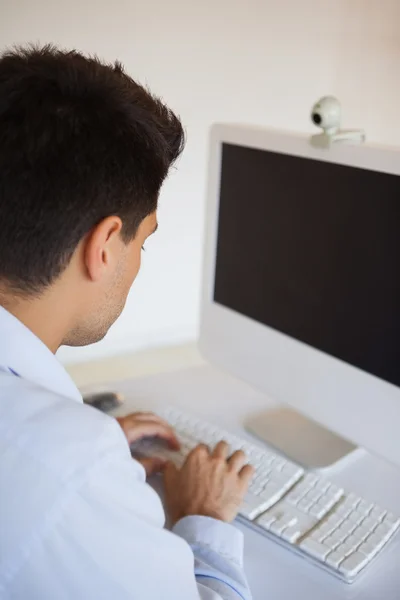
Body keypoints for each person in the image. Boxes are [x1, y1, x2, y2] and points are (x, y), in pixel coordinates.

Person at [0, 45, 254, 599]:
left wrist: (77, 462)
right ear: (105, 245)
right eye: (144, 238)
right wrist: (204, 516)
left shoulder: (57, 456)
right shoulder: (69, 465)